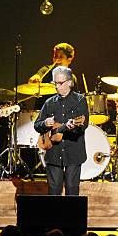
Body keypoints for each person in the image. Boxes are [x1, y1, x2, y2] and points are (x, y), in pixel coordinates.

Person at [34, 66, 89, 195]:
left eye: (60, 83)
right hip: (53, 153)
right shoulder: (49, 102)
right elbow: (37, 126)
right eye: (55, 83)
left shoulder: (80, 100)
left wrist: (73, 127)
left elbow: (83, 125)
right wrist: (45, 123)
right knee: (54, 190)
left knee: (71, 190)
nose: (57, 86)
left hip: (73, 151)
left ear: (70, 82)